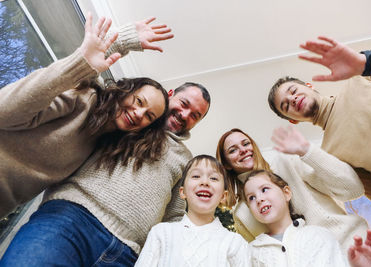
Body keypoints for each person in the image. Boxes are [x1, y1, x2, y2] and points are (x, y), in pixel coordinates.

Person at [0, 47, 211, 267]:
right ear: (170, 95)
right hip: (70, 221)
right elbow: (96, 87)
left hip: (128, 254)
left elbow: (174, 216)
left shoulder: (186, 160)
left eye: (194, 116)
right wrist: (116, 44)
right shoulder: (125, 120)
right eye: (184, 104)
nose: (184, 115)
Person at [0, 12, 174, 218]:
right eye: (139, 101)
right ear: (125, 90)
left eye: (149, 116)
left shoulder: (100, 148)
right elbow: (4, 111)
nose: (138, 114)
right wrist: (106, 49)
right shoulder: (83, 98)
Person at [216, 127, 371, 266]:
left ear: (286, 192)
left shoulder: (287, 161)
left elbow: (351, 190)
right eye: (232, 150)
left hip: (360, 250)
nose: (242, 150)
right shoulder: (242, 214)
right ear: (226, 165)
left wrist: (306, 151)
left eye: (246, 143)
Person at [267, 36, 371, 224]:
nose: (292, 99)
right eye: (286, 105)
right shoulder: (330, 157)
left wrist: (365, 63)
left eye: (293, 91)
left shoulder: (360, 80)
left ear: (309, 86)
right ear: (293, 121)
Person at [243, 170, 371, 267]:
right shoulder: (252, 251)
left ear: (286, 193)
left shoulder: (319, 235)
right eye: (251, 198)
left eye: (264, 189)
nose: (259, 199)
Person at [135, 155, 250, 267]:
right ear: (182, 192)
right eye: (196, 176)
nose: (205, 182)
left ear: (223, 196)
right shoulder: (161, 234)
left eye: (214, 178)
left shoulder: (235, 243)